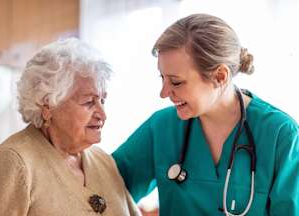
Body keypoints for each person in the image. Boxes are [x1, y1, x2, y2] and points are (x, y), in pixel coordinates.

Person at [112, 13, 299, 216]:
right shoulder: (161, 128)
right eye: (162, 78)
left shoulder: (280, 134)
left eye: (176, 82)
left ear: (220, 76)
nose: (163, 93)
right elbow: (104, 184)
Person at [0, 38, 141, 216]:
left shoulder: (103, 161)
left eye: (102, 100)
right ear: (48, 106)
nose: (102, 114)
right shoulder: (13, 164)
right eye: (89, 102)